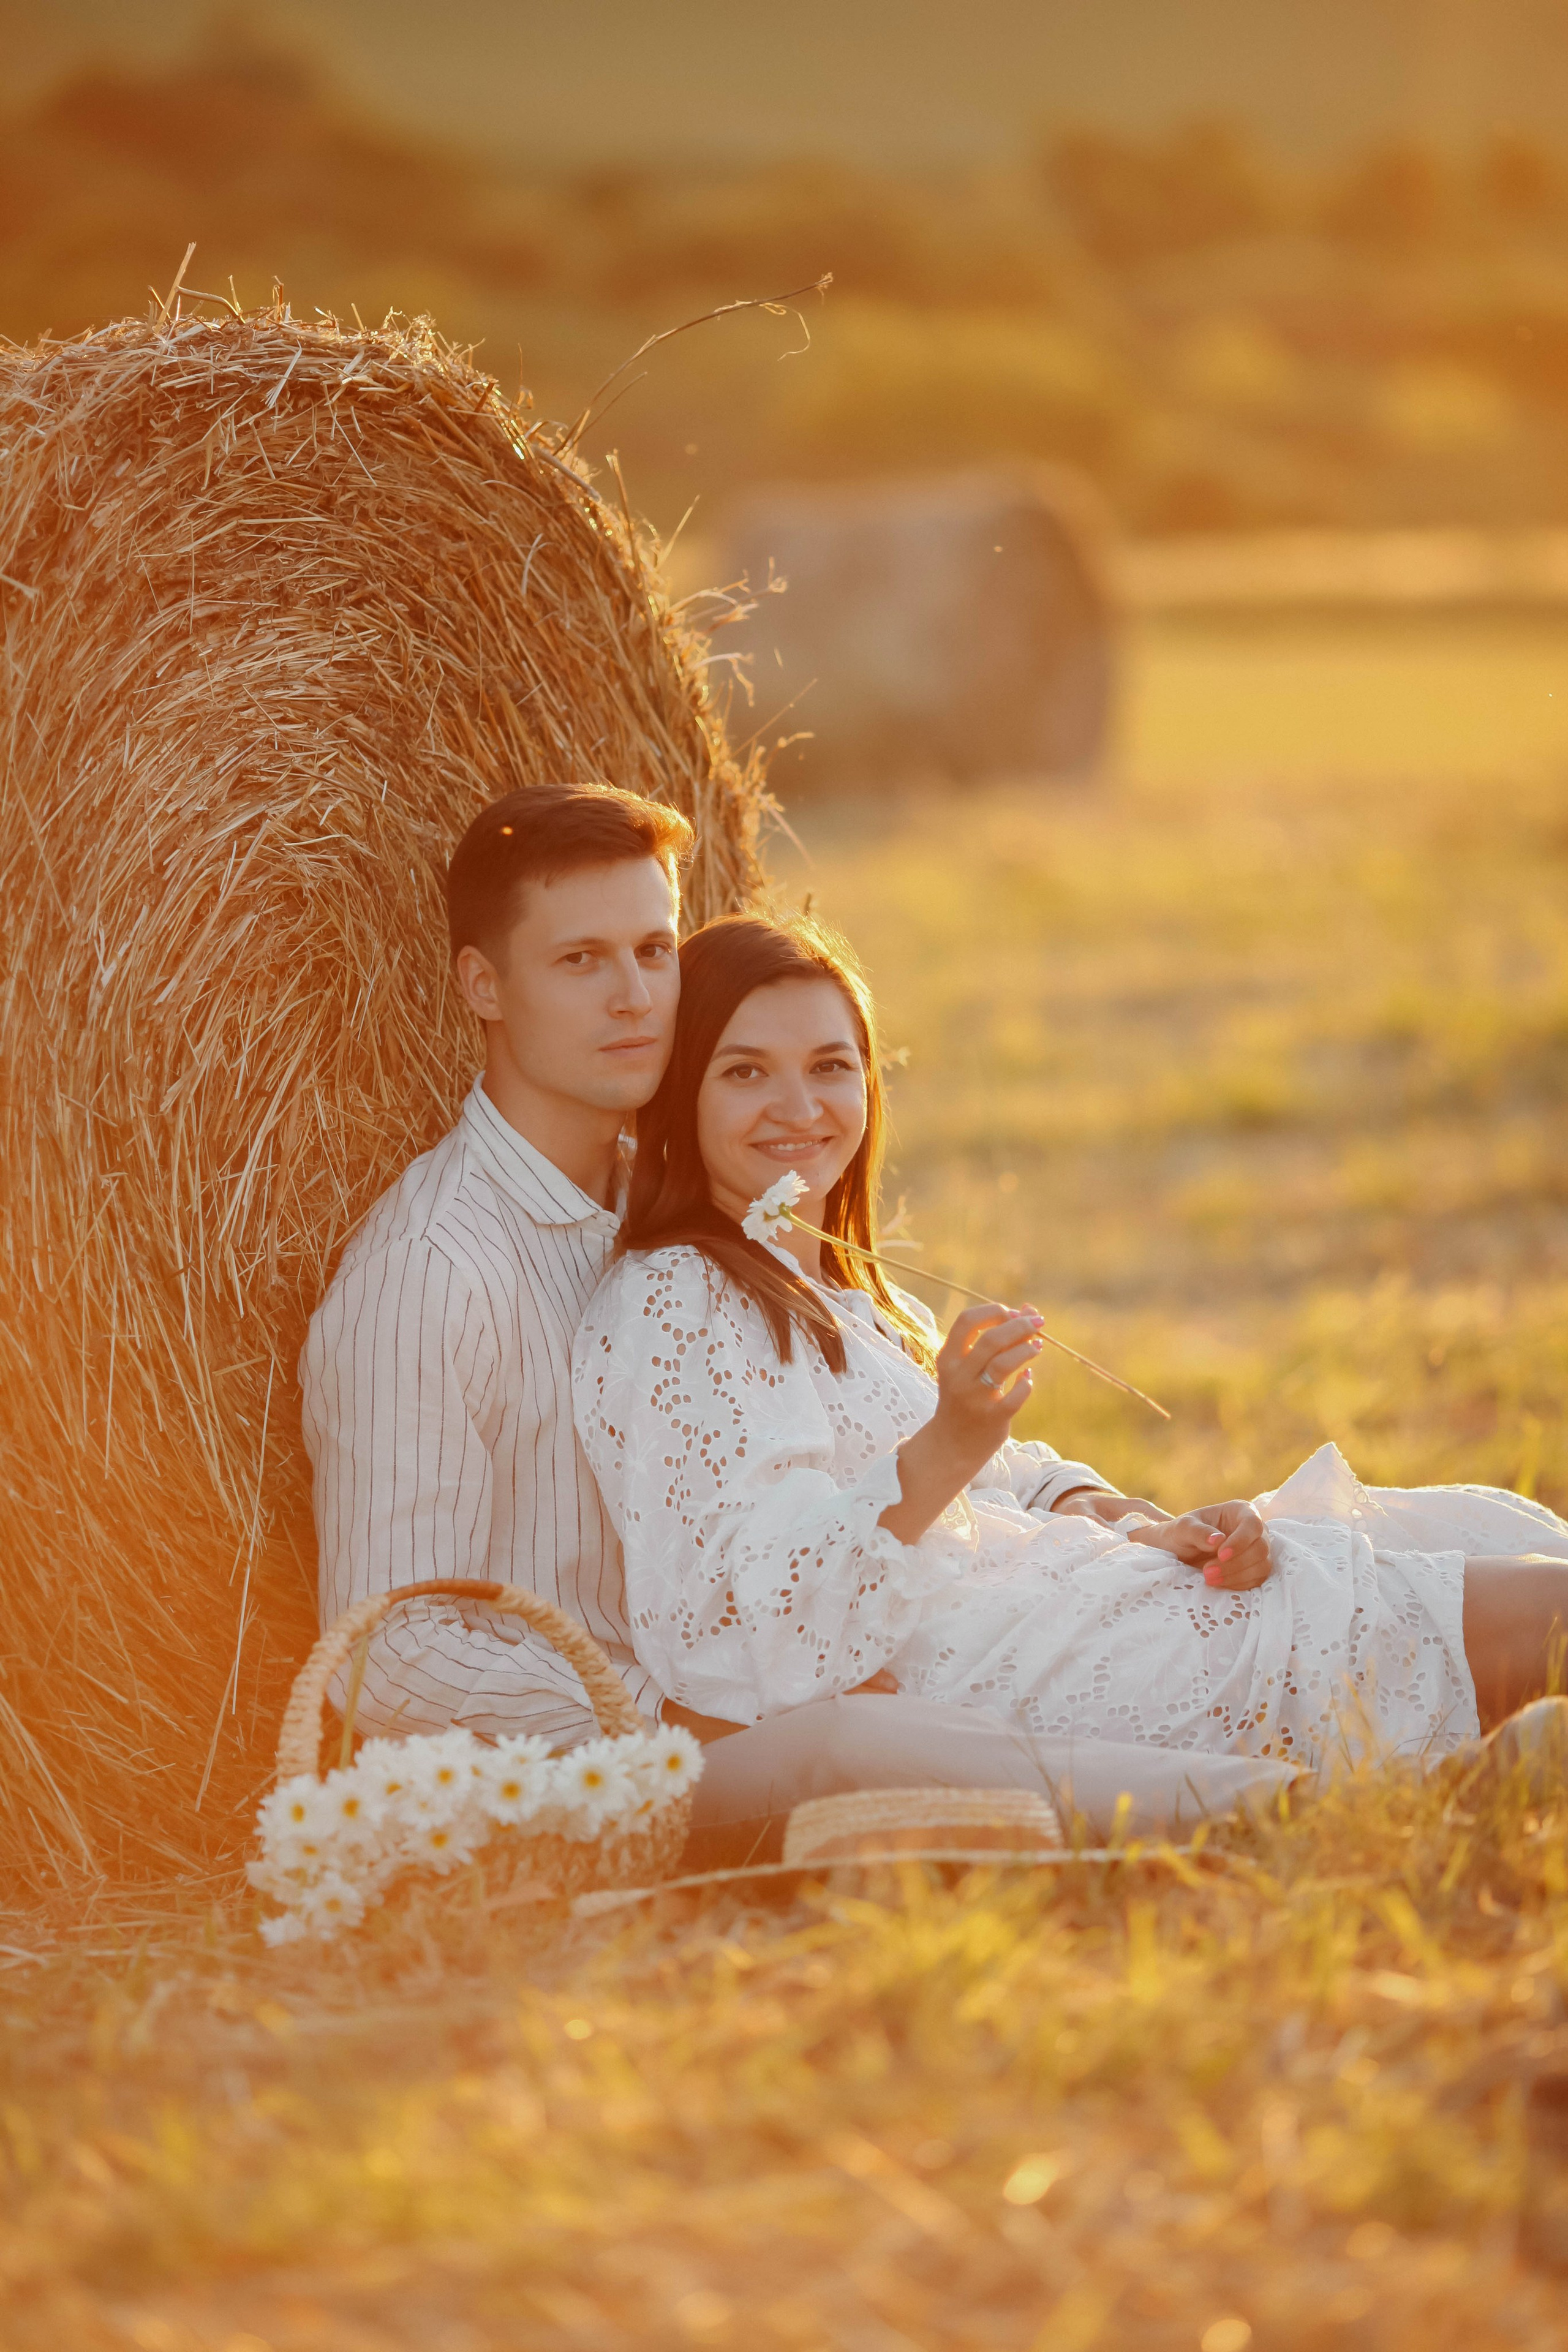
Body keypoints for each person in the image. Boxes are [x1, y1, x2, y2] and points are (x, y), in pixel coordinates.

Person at [573, 913, 1568, 1770]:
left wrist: (1132, 1517)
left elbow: (1009, 1474)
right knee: (1535, 1617)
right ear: (681, 1098)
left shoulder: (839, 1288)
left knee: (1492, 1536)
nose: (800, 1109)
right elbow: (747, 1634)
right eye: (746, 1072)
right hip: (1009, 1666)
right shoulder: (677, 1302)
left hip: (1077, 1583)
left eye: (831, 1066)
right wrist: (944, 1450)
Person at [300, 781, 696, 1744]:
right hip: (630, 1758)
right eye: (580, 961)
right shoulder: (430, 1274)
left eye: (655, 951)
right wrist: (667, 1719)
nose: (635, 997)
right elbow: (384, 1653)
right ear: (483, 986)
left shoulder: (695, 1204)